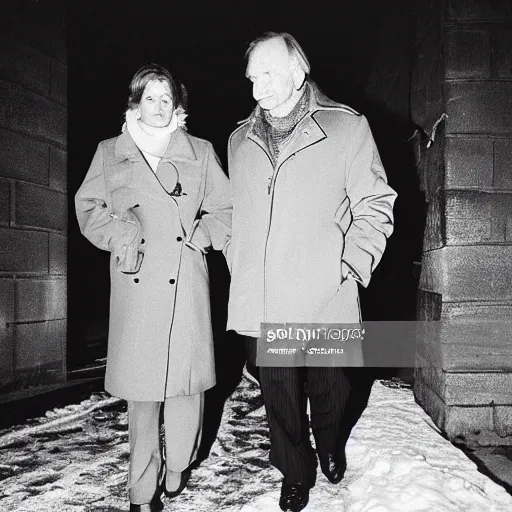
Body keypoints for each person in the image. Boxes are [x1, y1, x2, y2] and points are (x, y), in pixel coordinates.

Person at [226, 33, 397, 512]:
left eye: (268, 75)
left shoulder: (346, 128)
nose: (257, 88)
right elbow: (233, 214)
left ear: (299, 73)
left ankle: (329, 440)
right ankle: (294, 472)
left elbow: (376, 203)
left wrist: (351, 264)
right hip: (267, 297)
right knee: (278, 395)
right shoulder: (239, 139)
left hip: (327, 292)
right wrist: (237, 257)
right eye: (252, 77)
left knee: (332, 388)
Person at [75, 63, 232, 512]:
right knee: (143, 397)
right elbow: (88, 207)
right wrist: (124, 237)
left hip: (186, 281)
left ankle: (180, 462)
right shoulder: (110, 152)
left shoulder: (199, 152)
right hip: (136, 280)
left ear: (177, 106)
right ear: (135, 104)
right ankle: (141, 491)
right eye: (150, 98)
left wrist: (200, 238)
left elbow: (226, 210)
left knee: (186, 387)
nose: (159, 106)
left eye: (167, 99)